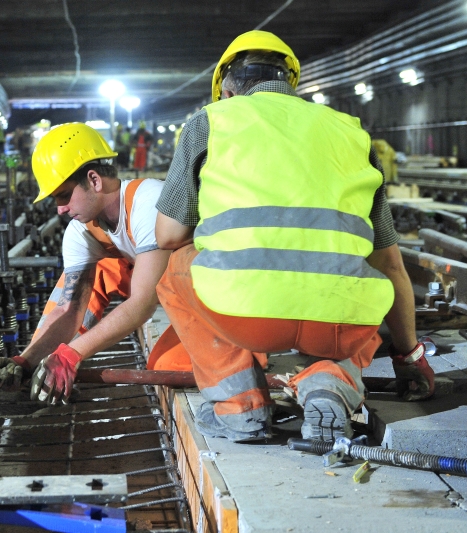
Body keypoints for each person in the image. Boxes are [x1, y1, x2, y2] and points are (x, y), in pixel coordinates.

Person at [154, 30, 434, 443]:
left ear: (227, 93)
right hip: (338, 323)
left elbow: (168, 234)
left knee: (172, 270)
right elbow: (390, 263)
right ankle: (331, 381)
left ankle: (242, 406)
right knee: (365, 284)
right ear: (290, 85)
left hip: (244, 317)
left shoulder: (209, 121)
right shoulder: (351, 131)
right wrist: (410, 358)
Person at [0, 122, 191, 404]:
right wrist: (27, 360)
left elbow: (143, 304)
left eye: (63, 195)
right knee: (92, 276)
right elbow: (69, 310)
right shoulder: (81, 231)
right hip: (167, 283)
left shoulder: (148, 202)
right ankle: (49, 363)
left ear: (94, 180)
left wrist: (74, 354)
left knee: (170, 367)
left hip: (213, 298)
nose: (59, 209)